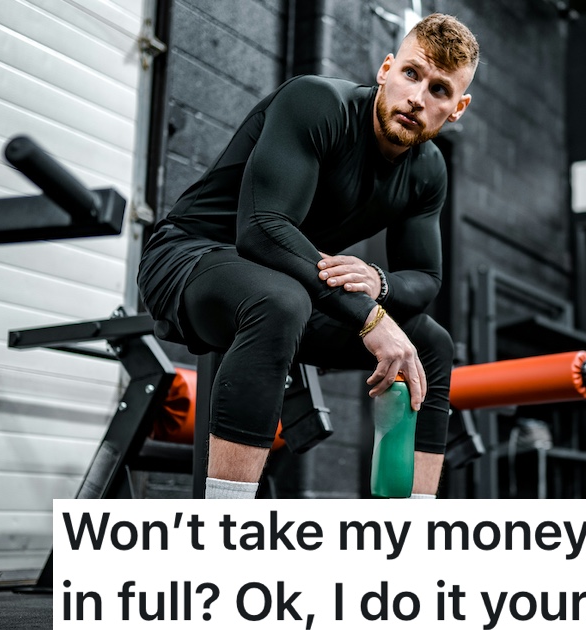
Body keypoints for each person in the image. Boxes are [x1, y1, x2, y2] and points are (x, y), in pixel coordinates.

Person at [138, 13, 478, 500]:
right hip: (189, 258)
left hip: (292, 283)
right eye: (411, 73)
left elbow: (425, 277)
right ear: (386, 69)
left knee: (429, 342)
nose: (418, 97)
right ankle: (223, 528)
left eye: (439, 89)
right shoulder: (318, 103)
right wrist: (369, 316)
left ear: (457, 108)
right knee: (281, 301)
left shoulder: (428, 171)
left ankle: (414, 525)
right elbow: (262, 229)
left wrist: (378, 284)